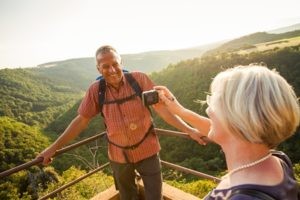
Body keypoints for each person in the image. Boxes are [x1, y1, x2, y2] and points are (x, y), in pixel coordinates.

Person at [37, 45, 205, 200]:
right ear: (98, 68)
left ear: (121, 62)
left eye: (115, 64)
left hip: (148, 151)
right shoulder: (96, 90)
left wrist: (189, 130)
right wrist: (53, 148)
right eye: (105, 66)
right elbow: (81, 121)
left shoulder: (140, 80)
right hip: (119, 157)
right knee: (127, 197)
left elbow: (163, 111)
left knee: (155, 196)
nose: (112, 70)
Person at [155, 65, 300, 199]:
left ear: (237, 118)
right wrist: (180, 111)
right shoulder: (278, 160)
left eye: (213, 102)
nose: (208, 109)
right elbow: (224, 131)